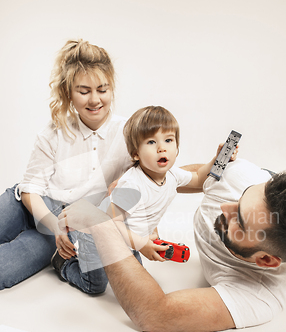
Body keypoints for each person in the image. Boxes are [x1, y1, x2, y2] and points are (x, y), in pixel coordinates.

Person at [58, 158, 286, 332]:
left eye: (239, 221)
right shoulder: (242, 176)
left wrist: (101, 225)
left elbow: (154, 314)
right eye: (241, 198)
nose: (225, 208)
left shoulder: (260, 297)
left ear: (266, 260)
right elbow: (190, 178)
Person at [0, 39, 134, 292]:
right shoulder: (53, 132)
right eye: (84, 91)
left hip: (67, 223)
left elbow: (165, 168)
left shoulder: (129, 132)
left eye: (102, 89)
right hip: (28, 203)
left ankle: (57, 260)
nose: (95, 99)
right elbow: (31, 189)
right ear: (68, 93)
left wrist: (212, 165)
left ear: (112, 88)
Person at [99, 105, 232, 261]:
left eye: (168, 140)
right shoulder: (131, 184)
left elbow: (198, 178)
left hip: (131, 245)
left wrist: (218, 159)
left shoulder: (172, 174)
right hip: (107, 244)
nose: (162, 148)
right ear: (136, 153)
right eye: (151, 142)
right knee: (97, 284)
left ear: (176, 147)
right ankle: (67, 265)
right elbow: (111, 223)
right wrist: (141, 244)